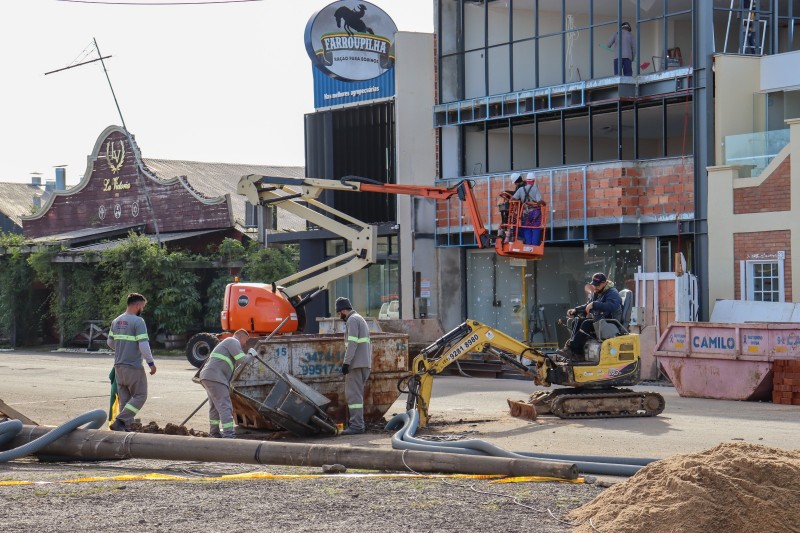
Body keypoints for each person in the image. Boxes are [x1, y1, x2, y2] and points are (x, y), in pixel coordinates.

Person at [107, 293, 156, 432]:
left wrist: (123, 348)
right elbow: (143, 345)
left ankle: (125, 428)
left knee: (125, 400)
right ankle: (121, 421)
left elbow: (110, 342)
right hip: (133, 367)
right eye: (143, 306)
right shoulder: (138, 321)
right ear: (137, 305)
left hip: (119, 367)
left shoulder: (116, 321)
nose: (142, 309)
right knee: (140, 395)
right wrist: (151, 363)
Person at [198, 328, 254, 438]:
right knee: (225, 406)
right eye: (245, 341)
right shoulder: (233, 341)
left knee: (214, 407)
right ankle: (229, 435)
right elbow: (242, 359)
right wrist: (251, 354)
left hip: (208, 376)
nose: (245, 344)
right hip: (215, 378)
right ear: (241, 336)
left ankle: (214, 433)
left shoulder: (228, 343)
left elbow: (235, 362)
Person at [557, 273, 622, 361]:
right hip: (599, 321)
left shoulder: (612, 292)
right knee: (577, 320)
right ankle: (573, 350)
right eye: (594, 285)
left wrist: (595, 304)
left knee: (586, 323)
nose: (595, 287)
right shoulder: (598, 292)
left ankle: (574, 350)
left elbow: (612, 305)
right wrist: (576, 310)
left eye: (597, 285)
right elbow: (589, 305)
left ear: (604, 283)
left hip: (609, 323)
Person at [336, 296, 372, 435]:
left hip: (356, 365)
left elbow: (352, 344)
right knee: (356, 395)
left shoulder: (352, 320)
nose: (340, 316)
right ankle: (358, 424)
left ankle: (357, 426)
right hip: (363, 364)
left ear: (343, 310)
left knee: (353, 397)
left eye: (339, 313)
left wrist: (346, 363)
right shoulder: (359, 318)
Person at [511, 172, 545, 245]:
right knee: (536, 228)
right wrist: (543, 203)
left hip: (526, 212)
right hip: (535, 212)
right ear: (533, 180)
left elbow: (513, 199)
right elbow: (539, 201)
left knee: (526, 228)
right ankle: (535, 246)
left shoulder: (520, 189)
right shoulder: (535, 189)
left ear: (527, 180)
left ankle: (528, 245)